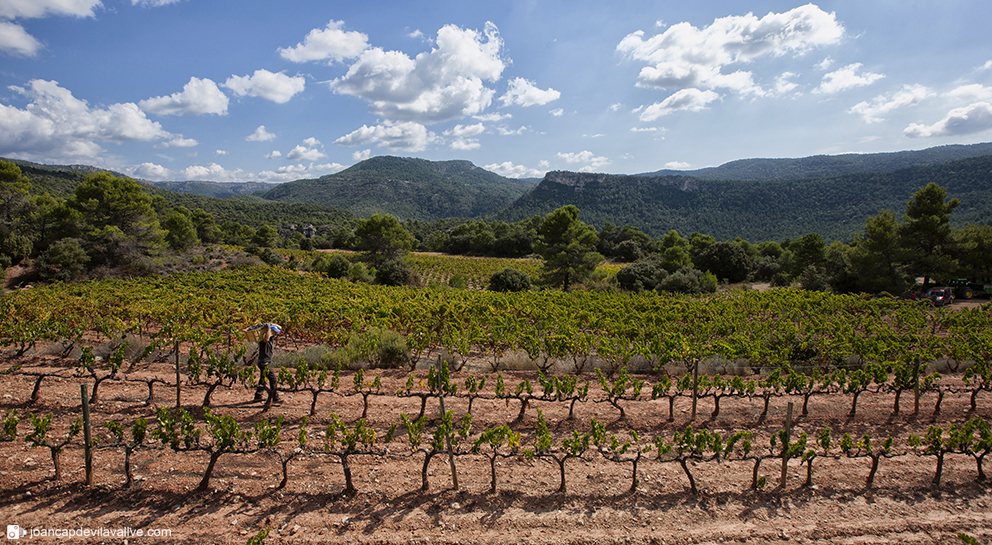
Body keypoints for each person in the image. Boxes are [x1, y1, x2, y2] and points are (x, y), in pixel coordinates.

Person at [252, 325, 282, 405]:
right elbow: (266, 339)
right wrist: (268, 329)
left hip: (264, 362)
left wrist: (271, 324)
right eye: (274, 332)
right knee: (273, 380)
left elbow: (280, 328)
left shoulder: (271, 338)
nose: (276, 333)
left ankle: (258, 396)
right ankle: (275, 398)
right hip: (264, 363)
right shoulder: (264, 339)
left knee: (263, 379)